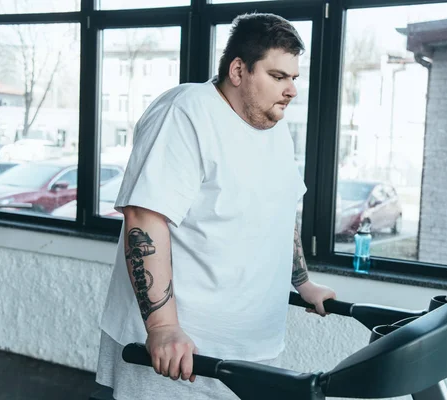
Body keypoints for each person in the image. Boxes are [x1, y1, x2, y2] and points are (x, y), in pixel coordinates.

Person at [95, 12, 336, 400]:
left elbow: (281, 210)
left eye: (294, 78)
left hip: (253, 347)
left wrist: (303, 283)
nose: (291, 90)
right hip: (182, 353)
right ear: (238, 70)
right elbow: (145, 216)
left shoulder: (274, 128)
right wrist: (162, 328)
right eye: (278, 76)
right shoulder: (186, 111)